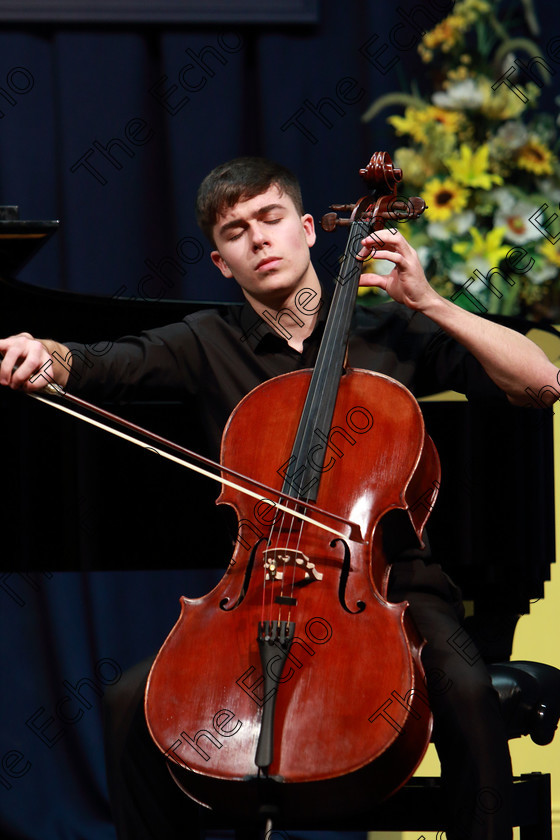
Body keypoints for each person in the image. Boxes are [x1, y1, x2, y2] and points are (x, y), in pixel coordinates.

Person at [0, 157, 558, 840]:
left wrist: (432, 303)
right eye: (236, 232)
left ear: (305, 229)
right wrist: (45, 352)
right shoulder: (205, 341)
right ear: (221, 262)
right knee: (127, 703)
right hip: (257, 595)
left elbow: (541, 385)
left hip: (395, 594)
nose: (258, 239)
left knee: (468, 695)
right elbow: (101, 363)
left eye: (269, 219)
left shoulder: (393, 332)